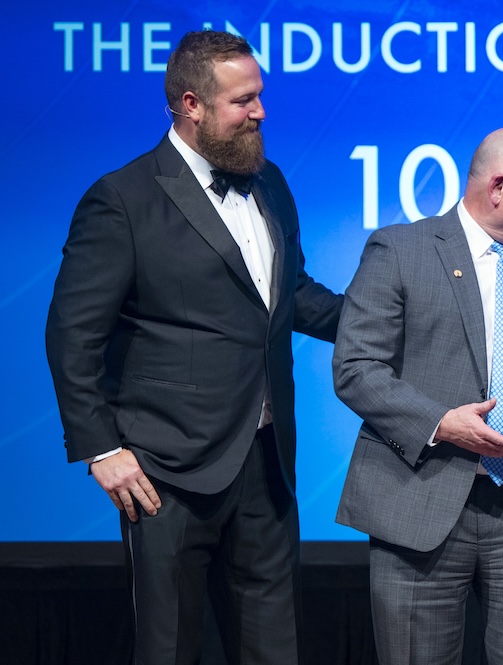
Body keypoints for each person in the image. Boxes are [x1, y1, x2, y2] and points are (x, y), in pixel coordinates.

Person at [45, 30, 342, 664]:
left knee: (274, 650)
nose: (260, 111)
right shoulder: (122, 198)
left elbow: (291, 296)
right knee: (169, 649)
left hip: (266, 461)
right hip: (165, 470)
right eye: (244, 101)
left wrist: (397, 323)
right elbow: (73, 335)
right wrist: (100, 448)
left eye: (259, 95)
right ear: (191, 104)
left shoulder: (270, 182)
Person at [333, 127, 503, 665]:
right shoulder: (401, 250)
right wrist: (441, 421)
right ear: (498, 186)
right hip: (422, 504)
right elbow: (356, 368)